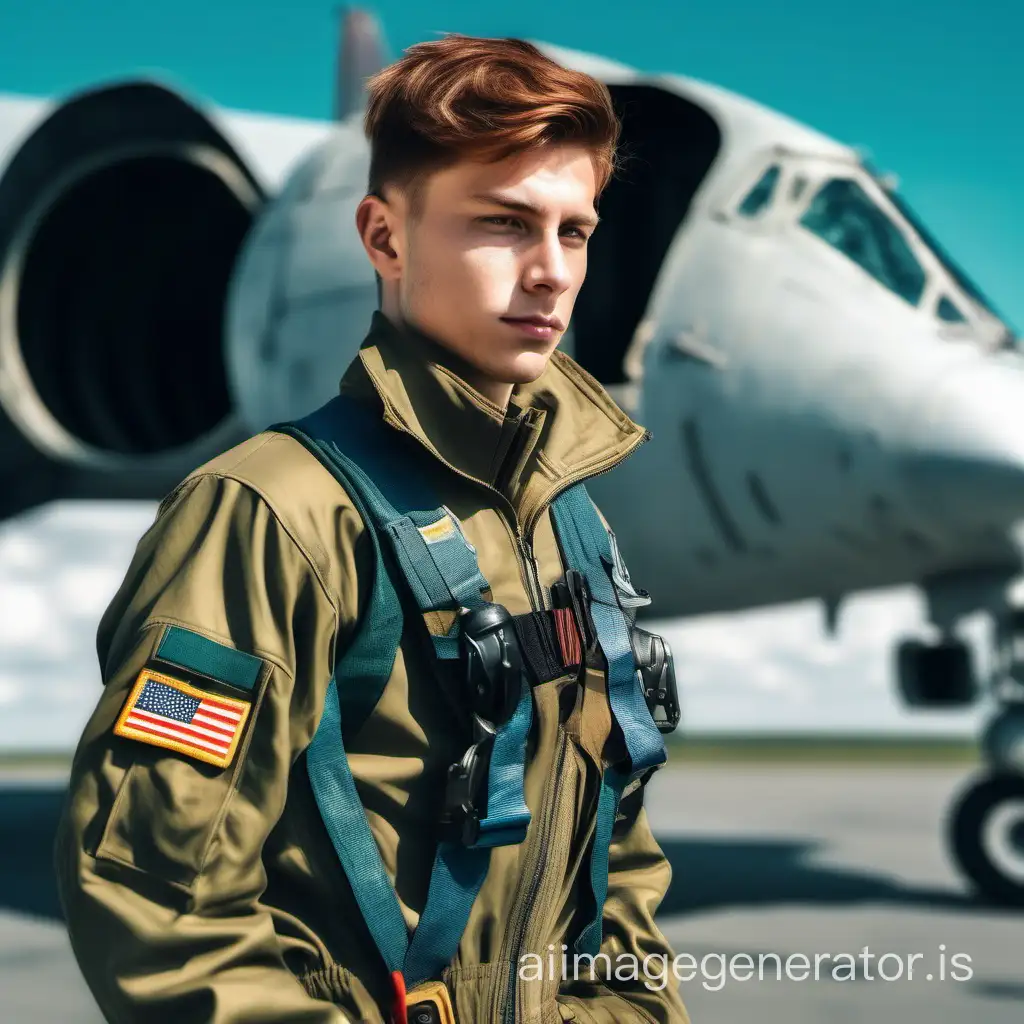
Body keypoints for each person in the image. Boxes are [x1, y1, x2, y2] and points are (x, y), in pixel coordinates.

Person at [55, 34, 689, 1024]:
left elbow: (618, 858)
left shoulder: (573, 525)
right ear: (385, 237)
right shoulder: (272, 512)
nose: (551, 273)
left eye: (574, 231)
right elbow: (158, 902)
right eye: (504, 224)